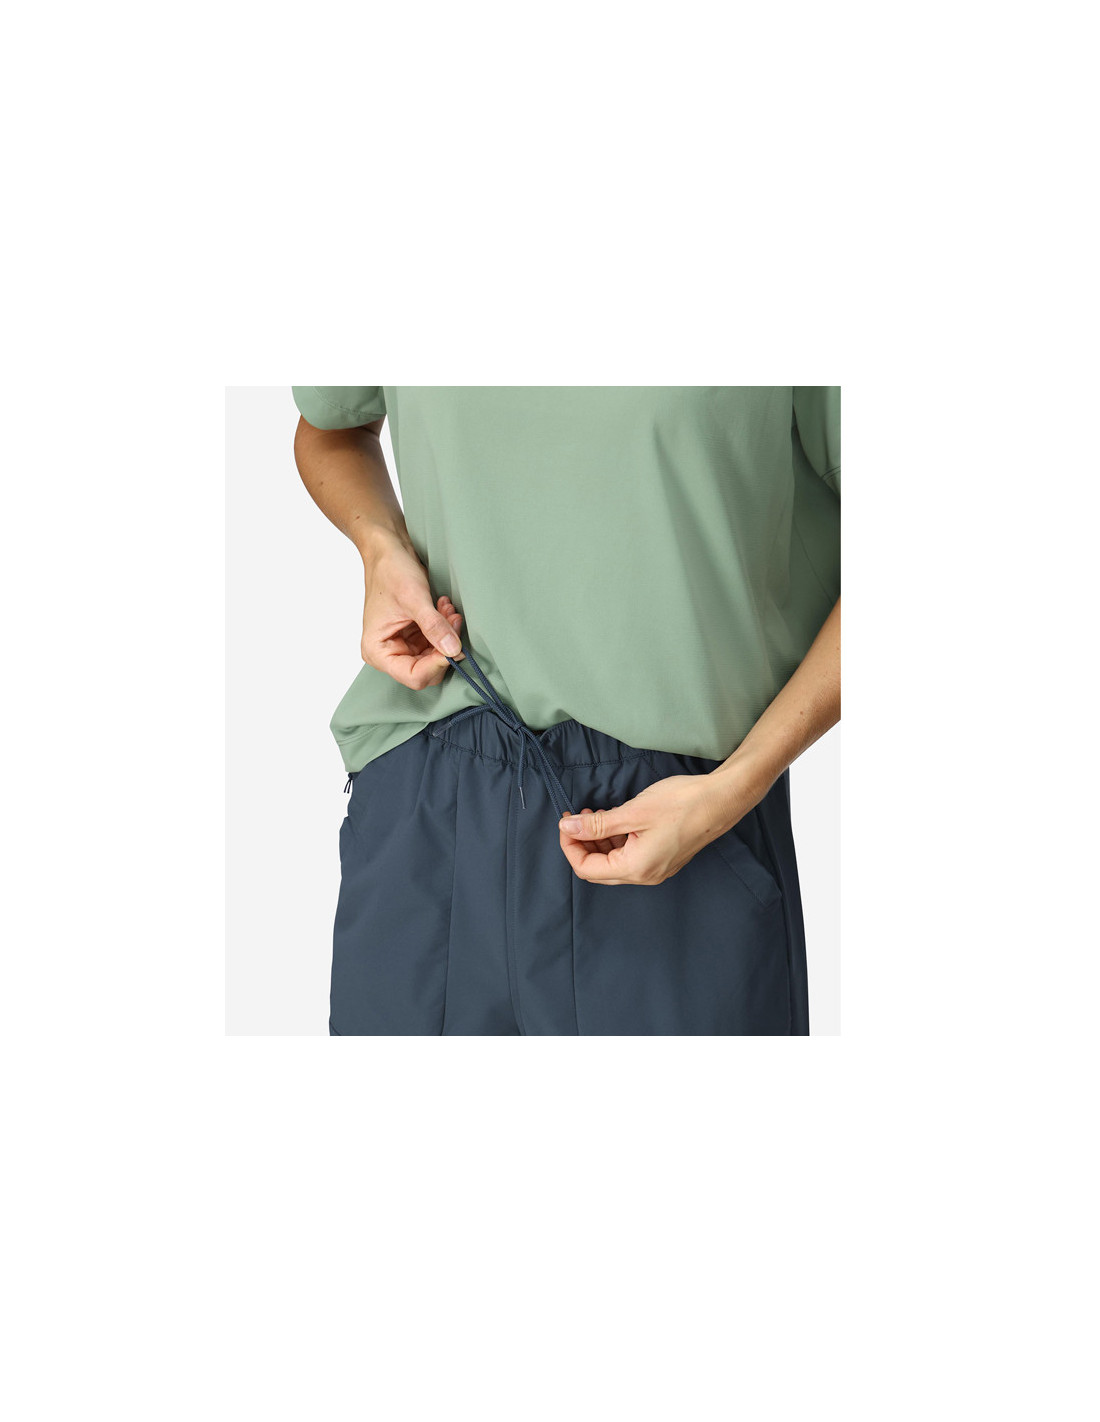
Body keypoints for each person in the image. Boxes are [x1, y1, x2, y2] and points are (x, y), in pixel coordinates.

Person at [292, 386, 840, 1036]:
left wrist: (738, 786)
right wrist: (380, 544)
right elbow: (329, 429)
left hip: (681, 829)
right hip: (429, 808)